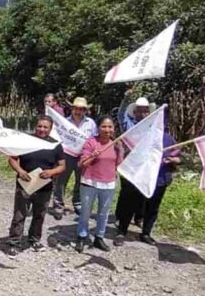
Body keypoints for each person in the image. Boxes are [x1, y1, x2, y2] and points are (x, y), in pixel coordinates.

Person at [7, 115, 66, 256]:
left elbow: (62, 165)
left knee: (39, 215)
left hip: (44, 186)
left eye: (45, 127)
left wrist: (52, 172)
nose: (42, 129)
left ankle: (34, 240)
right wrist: (20, 171)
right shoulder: (25, 141)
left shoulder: (55, 145)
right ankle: (14, 242)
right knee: (19, 214)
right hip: (25, 184)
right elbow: (12, 159)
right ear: (36, 126)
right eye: (40, 126)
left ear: (50, 129)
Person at [115, 126, 181, 246]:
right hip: (139, 177)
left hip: (160, 179)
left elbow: (178, 157)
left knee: (153, 207)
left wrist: (173, 160)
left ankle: (146, 233)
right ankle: (122, 231)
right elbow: (127, 151)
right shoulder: (141, 135)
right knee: (130, 205)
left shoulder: (169, 139)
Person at [76, 116, 124, 253]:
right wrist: (93, 156)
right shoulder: (91, 142)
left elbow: (119, 164)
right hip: (89, 182)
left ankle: (99, 237)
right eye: (104, 126)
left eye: (110, 127)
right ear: (98, 128)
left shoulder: (116, 144)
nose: (107, 130)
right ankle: (82, 236)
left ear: (114, 129)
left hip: (108, 184)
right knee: (85, 212)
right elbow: (81, 164)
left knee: (103, 213)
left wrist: (121, 150)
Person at [51, 97, 97, 219]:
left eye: (81, 109)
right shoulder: (65, 122)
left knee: (80, 181)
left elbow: (94, 139)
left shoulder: (90, 123)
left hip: (83, 156)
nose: (78, 111)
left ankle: (77, 203)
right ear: (72, 109)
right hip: (66, 154)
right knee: (61, 181)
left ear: (85, 110)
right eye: (76, 108)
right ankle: (58, 205)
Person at [115, 95, 155, 226]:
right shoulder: (129, 125)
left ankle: (139, 217)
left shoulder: (152, 128)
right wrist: (126, 98)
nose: (142, 113)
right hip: (128, 163)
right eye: (140, 110)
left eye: (145, 110)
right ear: (135, 112)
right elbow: (121, 115)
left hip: (144, 164)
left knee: (141, 192)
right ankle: (120, 216)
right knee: (126, 192)